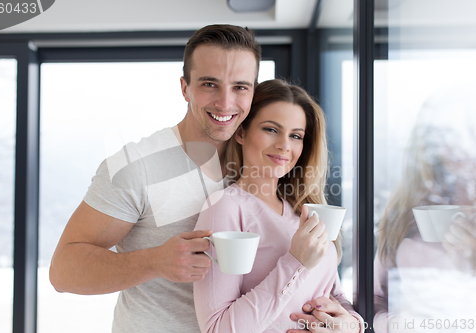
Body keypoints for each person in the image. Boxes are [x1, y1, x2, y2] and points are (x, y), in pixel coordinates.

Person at [49, 24, 261, 333]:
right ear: (184, 87)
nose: (226, 103)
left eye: (240, 87)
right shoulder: (136, 166)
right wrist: (154, 262)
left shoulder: (262, 162)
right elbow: (63, 272)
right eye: (209, 84)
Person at [193, 79, 364, 333]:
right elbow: (218, 328)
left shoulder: (304, 210)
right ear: (241, 132)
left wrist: (352, 325)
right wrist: (295, 261)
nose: (285, 144)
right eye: (271, 129)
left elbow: (333, 295)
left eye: (296, 135)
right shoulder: (226, 208)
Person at [373, 84, 476, 332]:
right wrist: (398, 325)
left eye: (465, 132)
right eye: (442, 135)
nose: (453, 146)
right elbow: (373, 299)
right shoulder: (405, 207)